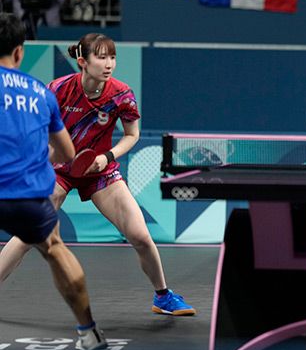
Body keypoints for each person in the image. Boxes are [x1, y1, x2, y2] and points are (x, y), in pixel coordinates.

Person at [0, 33, 196, 316]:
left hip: (100, 170)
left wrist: (107, 157)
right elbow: (39, 131)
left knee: (141, 236)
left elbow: (132, 134)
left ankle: (163, 297)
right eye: (101, 57)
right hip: (59, 169)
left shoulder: (121, 95)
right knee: (27, 235)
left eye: (112, 57)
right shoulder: (58, 90)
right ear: (82, 61)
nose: (109, 64)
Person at [0, 13, 107, 350]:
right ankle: (88, 332)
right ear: (20, 52)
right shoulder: (41, 93)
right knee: (55, 249)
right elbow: (67, 152)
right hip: (28, 195)